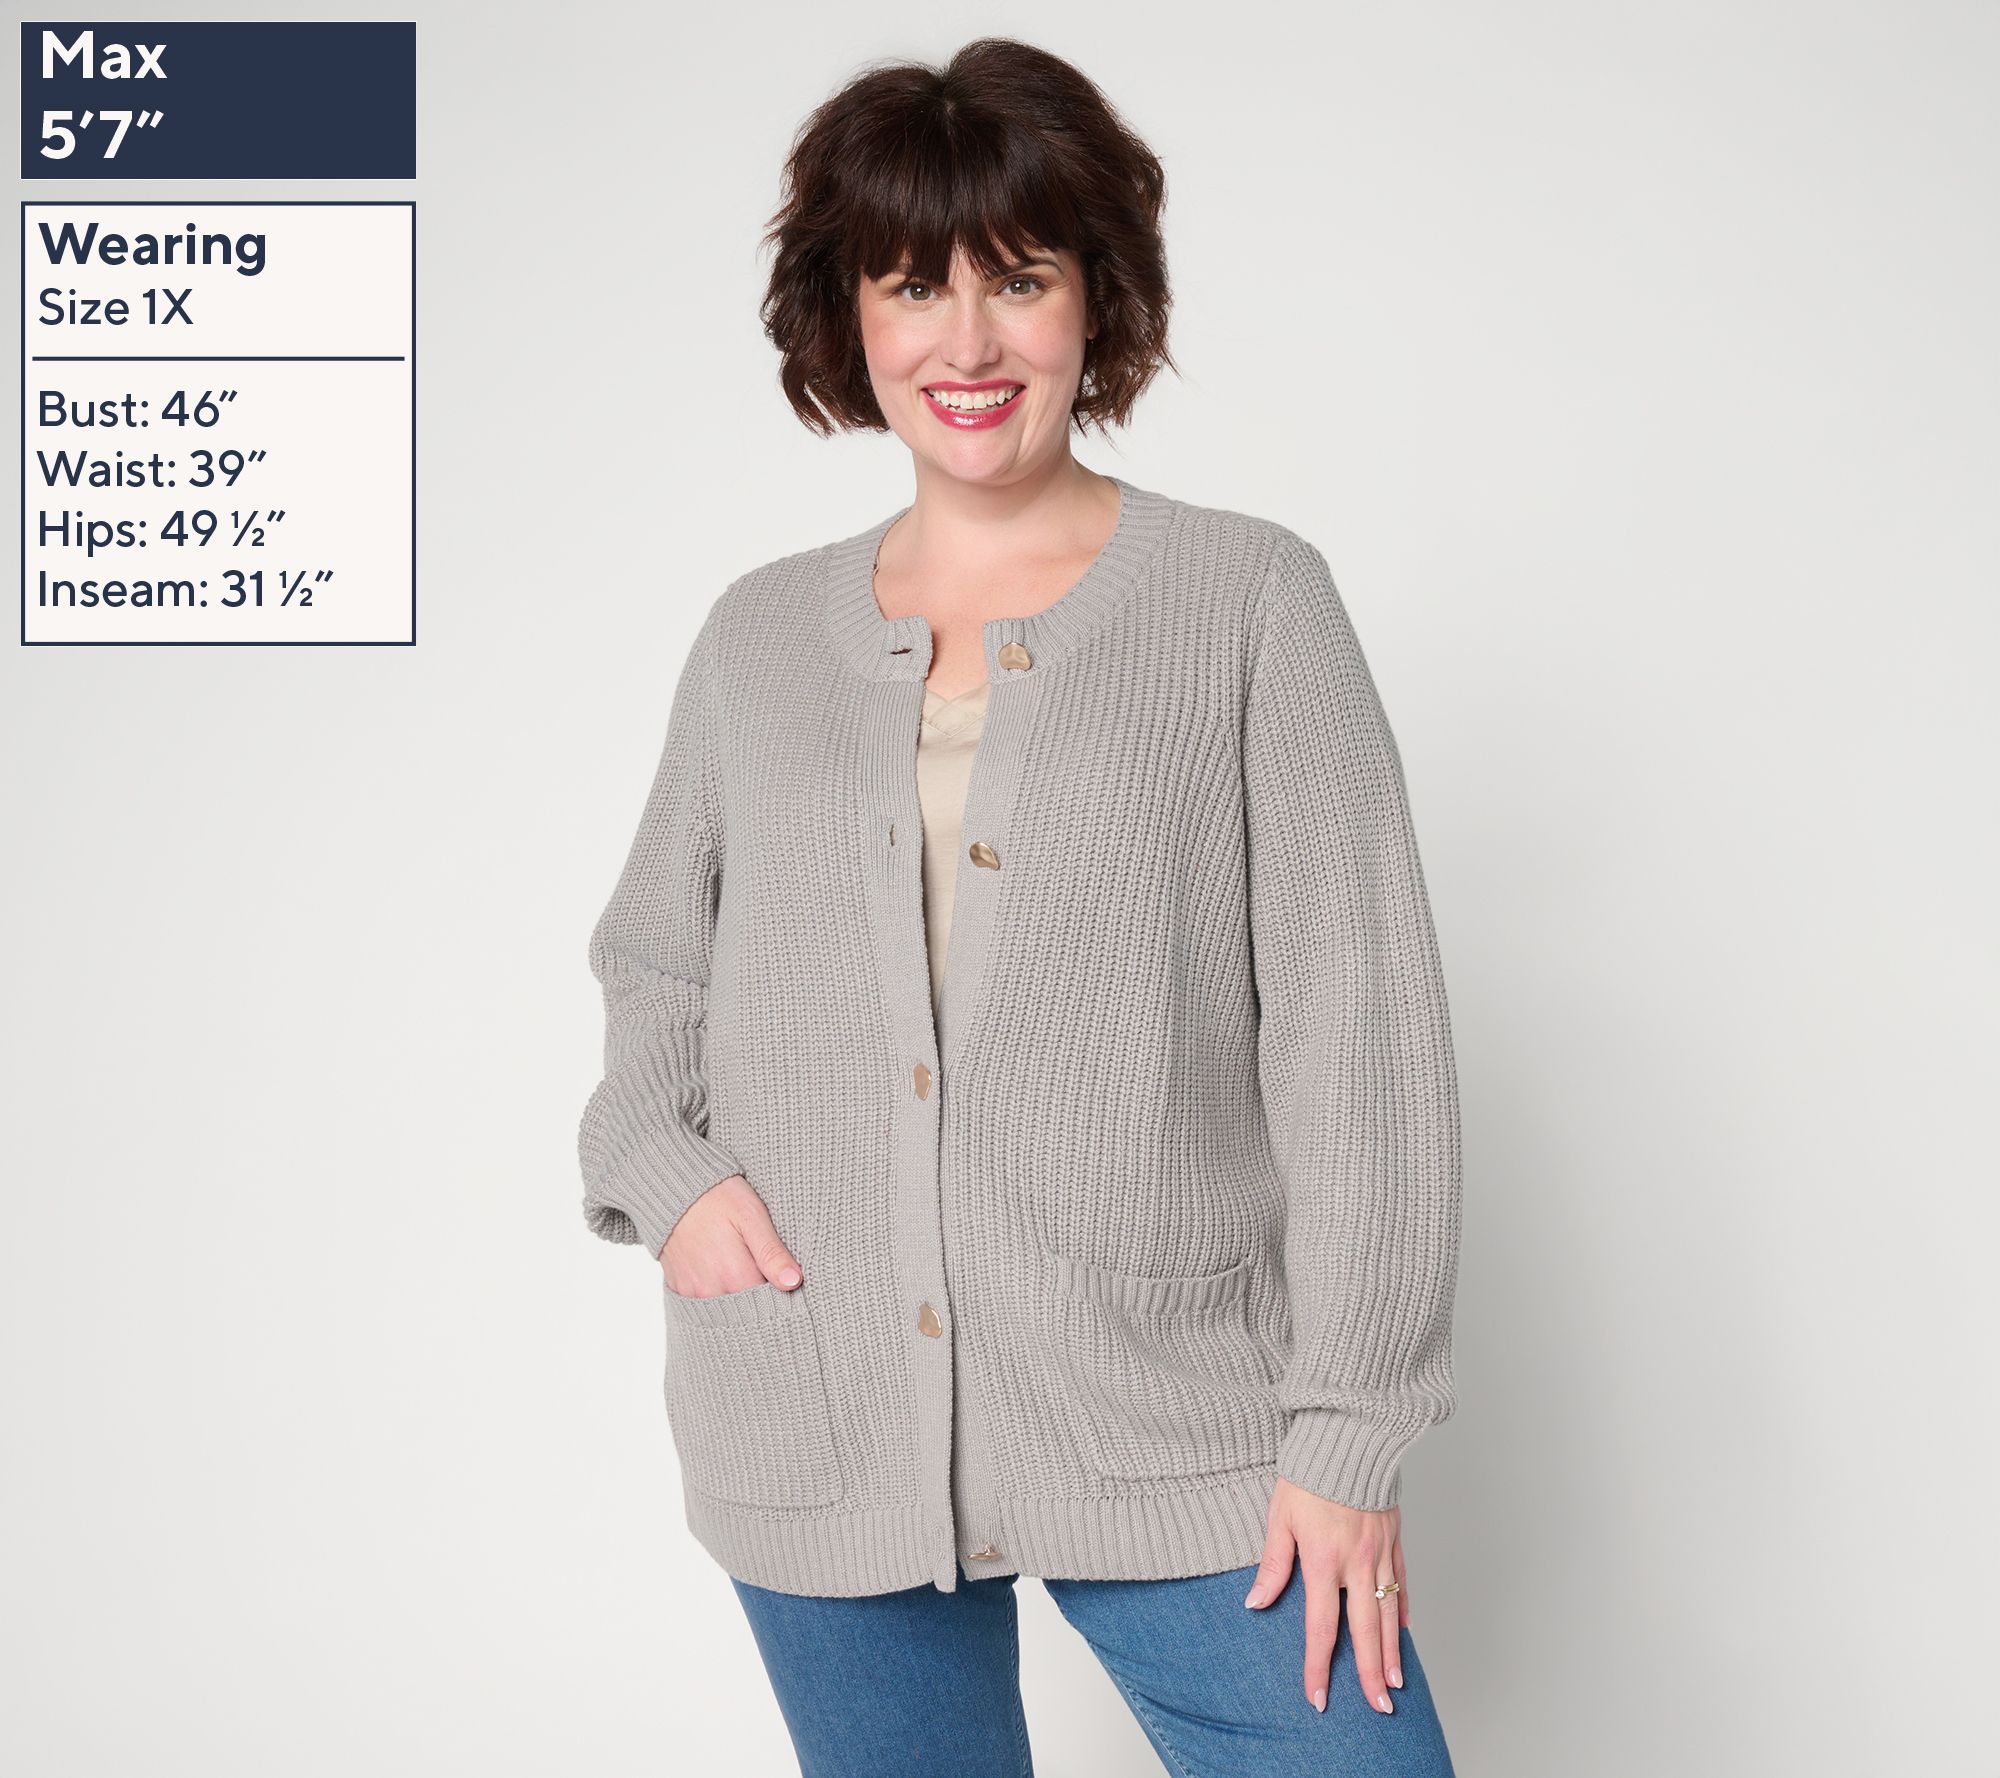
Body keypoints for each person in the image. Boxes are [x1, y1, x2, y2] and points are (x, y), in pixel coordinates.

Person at [577, 35, 1463, 1777]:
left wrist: (1351, 1430)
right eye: (914, 286)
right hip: (814, 1399)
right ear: (849, 317)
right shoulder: (761, 636)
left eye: (1020, 279)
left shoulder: (1248, 602)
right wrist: (671, 1184)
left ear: (1096, 298)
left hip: (1176, 1409)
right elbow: (654, 966)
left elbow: (1360, 1041)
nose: (966, 343)